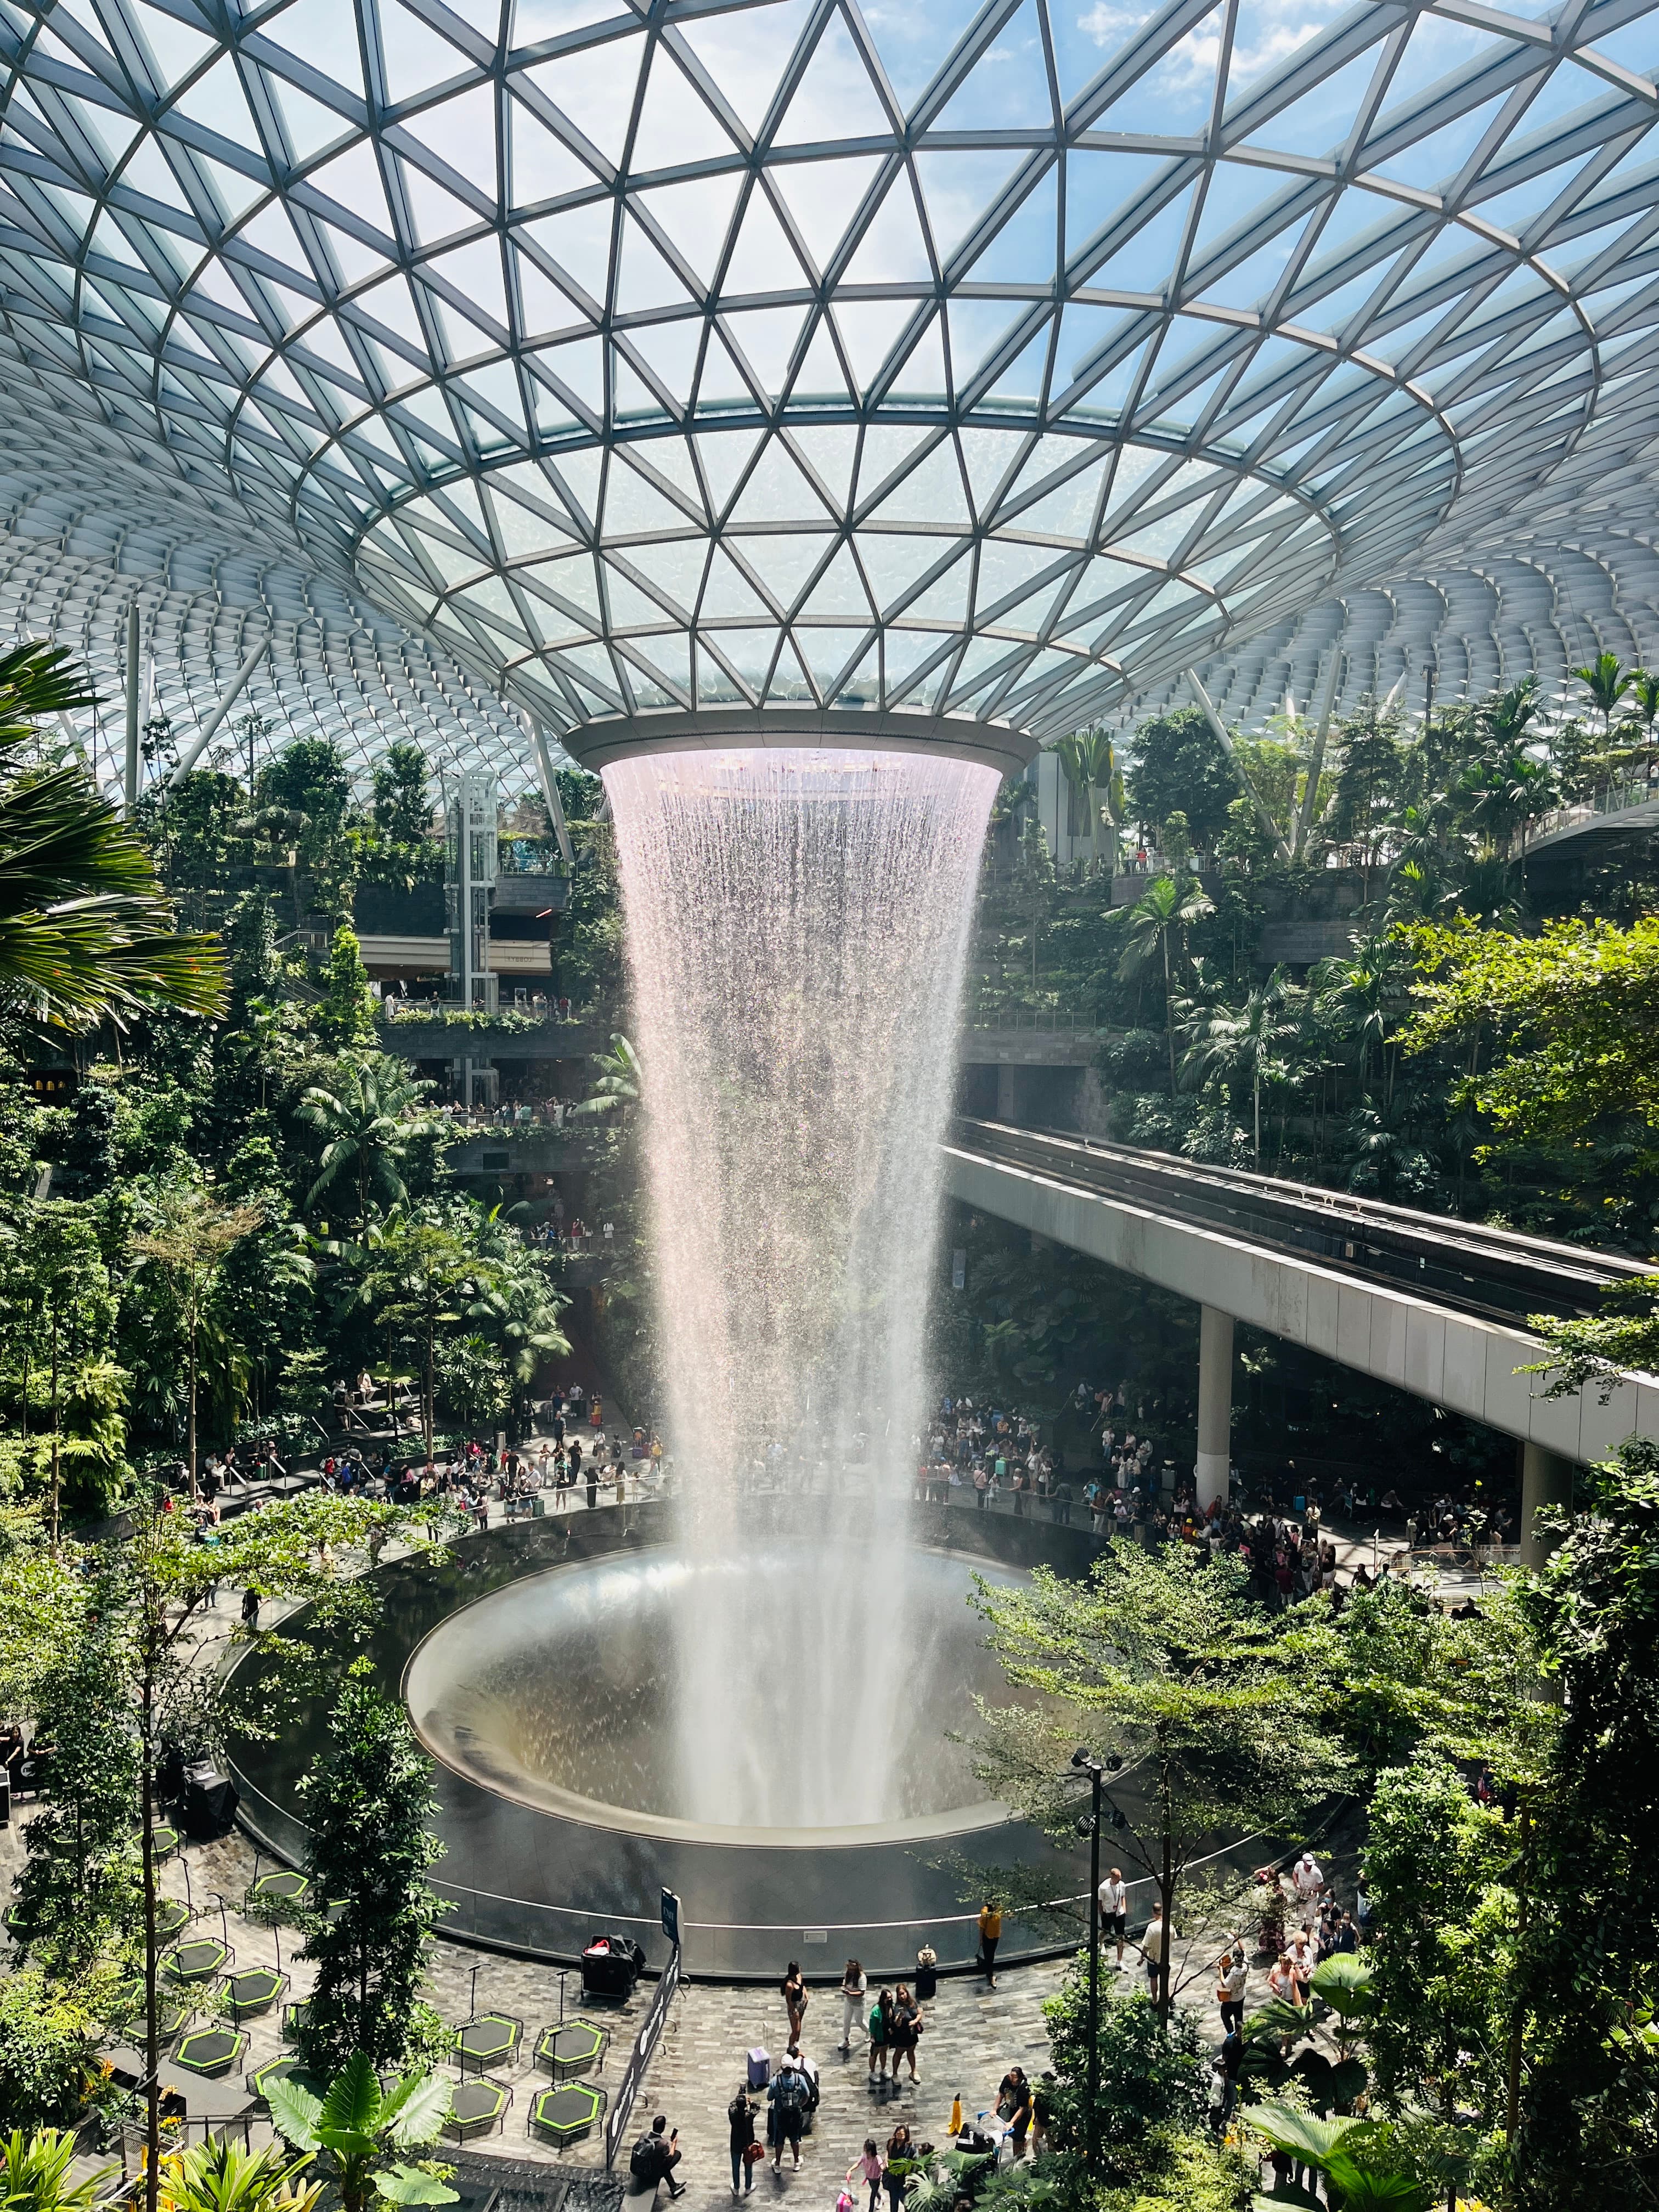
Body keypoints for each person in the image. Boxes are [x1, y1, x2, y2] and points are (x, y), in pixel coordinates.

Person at [630, 2115, 684, 2200]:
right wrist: (674, 2143)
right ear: (663, 2128)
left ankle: (674, 2187)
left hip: (638, 2169)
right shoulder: (663, 2143)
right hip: (650, 2174)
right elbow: (670, 2156)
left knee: (660, 2161)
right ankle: (673, 2187)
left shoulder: (644, 2134)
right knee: (676, 2155)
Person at [768, 2056, 808, 2169]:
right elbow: (807, 2094)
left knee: (779, 2140)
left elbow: (769, 2097)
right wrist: (800, 2105)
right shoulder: (799, 2079)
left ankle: (778, 2164)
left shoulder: (776, 2081)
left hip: (780, 2116)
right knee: (795, 2138)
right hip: (795, 2115)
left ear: (782, 2067)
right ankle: (796, 2162)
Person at [727, 2086, 759, 2196]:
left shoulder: (733, 2114)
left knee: (735, 2166)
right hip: (747, 2144)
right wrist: (751, 2102)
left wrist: (739, 2097)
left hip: (735, 2143)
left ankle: (736, 2187)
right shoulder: (749, 2116)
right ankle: (748, 2187)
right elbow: (757, 2108)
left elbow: (731, 2105)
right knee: (748, 2166)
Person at [888, 1983, 921, 2083]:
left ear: (907, 1993)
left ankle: (914, 2072)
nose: (902, 1996)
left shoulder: (912, 2003)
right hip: (902, 2035)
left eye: (903, 1994)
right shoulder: (897, 2008)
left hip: (912, 2034)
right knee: (899, 2053)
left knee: (911, 2052)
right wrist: (900, 2017)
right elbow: (897, 2024)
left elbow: (919, 2013)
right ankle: (895, 2074)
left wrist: (915, 2022)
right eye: (900, 1995)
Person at [1098, 1867, 1128, 1966]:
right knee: (1105, 1930)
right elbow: (1100, 1901)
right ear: (1112, 1877)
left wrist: (1124, 1909)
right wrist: (1102, 1913)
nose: (1119, 1880)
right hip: (1108, 1913)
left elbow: (1123, 1896)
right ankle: (1101, 1943)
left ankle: (1119, 1961)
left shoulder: (1122, 1885)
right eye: (1118, 1878)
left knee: (1121, 1937)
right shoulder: (1103, 1888)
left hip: (1119, 1914)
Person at [1217, 1946, 1248, 2034]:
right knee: (1239, 2017)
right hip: (1241, 1995)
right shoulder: (1245, 1965)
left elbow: (1224, 1983)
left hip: (1232, 1999)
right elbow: (1244, 1950)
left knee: (1225, 2015)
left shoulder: (1234, 1973)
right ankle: (1240, 2034)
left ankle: (1231, 2033)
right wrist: (1236, 1937)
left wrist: (1221, 1970)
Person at [839, 1957, 867, 2053]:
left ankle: (869, 2032)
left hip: (858, 2004)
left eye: (851, 1968)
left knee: (859, 2021)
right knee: (846, 2022)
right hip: (849, 2002)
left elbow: (862, 1992)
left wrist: (850, 1993)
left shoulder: (862, 1977)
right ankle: (846, 2040)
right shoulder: (848, 1974)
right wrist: (844, 1989)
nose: (850, 1970)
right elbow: (844, 1983)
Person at [849, 2140, 883, 2212]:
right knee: (875, 2191)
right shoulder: (864, 2157)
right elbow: (857, 2164)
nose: (867, 2153)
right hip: (870, 2178)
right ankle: (880, 2198)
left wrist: (884, 2168)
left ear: (872, 2151)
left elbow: (882, 2167)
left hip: (876, 2179)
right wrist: (850, 2170)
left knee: (872, 2196)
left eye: (868, 2151)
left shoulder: (877, 2158)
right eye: (866, 2151)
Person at [1141, 1906, 1167, 2002]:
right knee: (1164, 1979)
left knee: (1153, 1979)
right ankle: (1167, 1998)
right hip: (1165, 1958)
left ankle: (1155, 2001)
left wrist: (1141, 1958)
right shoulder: (1169, 1925)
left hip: (1153, 1958)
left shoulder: (1151, 1927)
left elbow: (1146, 1945)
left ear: (1153, 1913)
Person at [867, 1987, 892, 2085]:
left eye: (891, 1997)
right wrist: (872, 2037)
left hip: (886, 2034)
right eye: (888, 1998)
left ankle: (883, 2069)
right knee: (875, 2053)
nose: (890, 2000)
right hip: (878, 2035)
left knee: (884, 2051)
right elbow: (873, 2026)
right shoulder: (876, 2011)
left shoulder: (891, 2008)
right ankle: (872, 2072)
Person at [978, 1898, 1002, 1989]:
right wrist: (981, 1939)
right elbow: (982, 1927)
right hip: (987, 1937)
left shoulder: (998, 1910)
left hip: (996, 1936)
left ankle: (989, 1973)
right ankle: (991, 1975)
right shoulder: (985, 1913)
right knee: (989, 1956)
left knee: (991, 1955)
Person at [781, 1961, 808, 2043]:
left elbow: (802, 1986)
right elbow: (788, 2000)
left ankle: (797, 2045)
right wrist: (794, 2010)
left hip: (801, 2004)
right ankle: (791, 2047)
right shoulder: (790, 1985)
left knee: (799, 2028)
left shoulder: (799, 1977)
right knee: (795, 2030)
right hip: (794, 2006)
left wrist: (807, 1998)